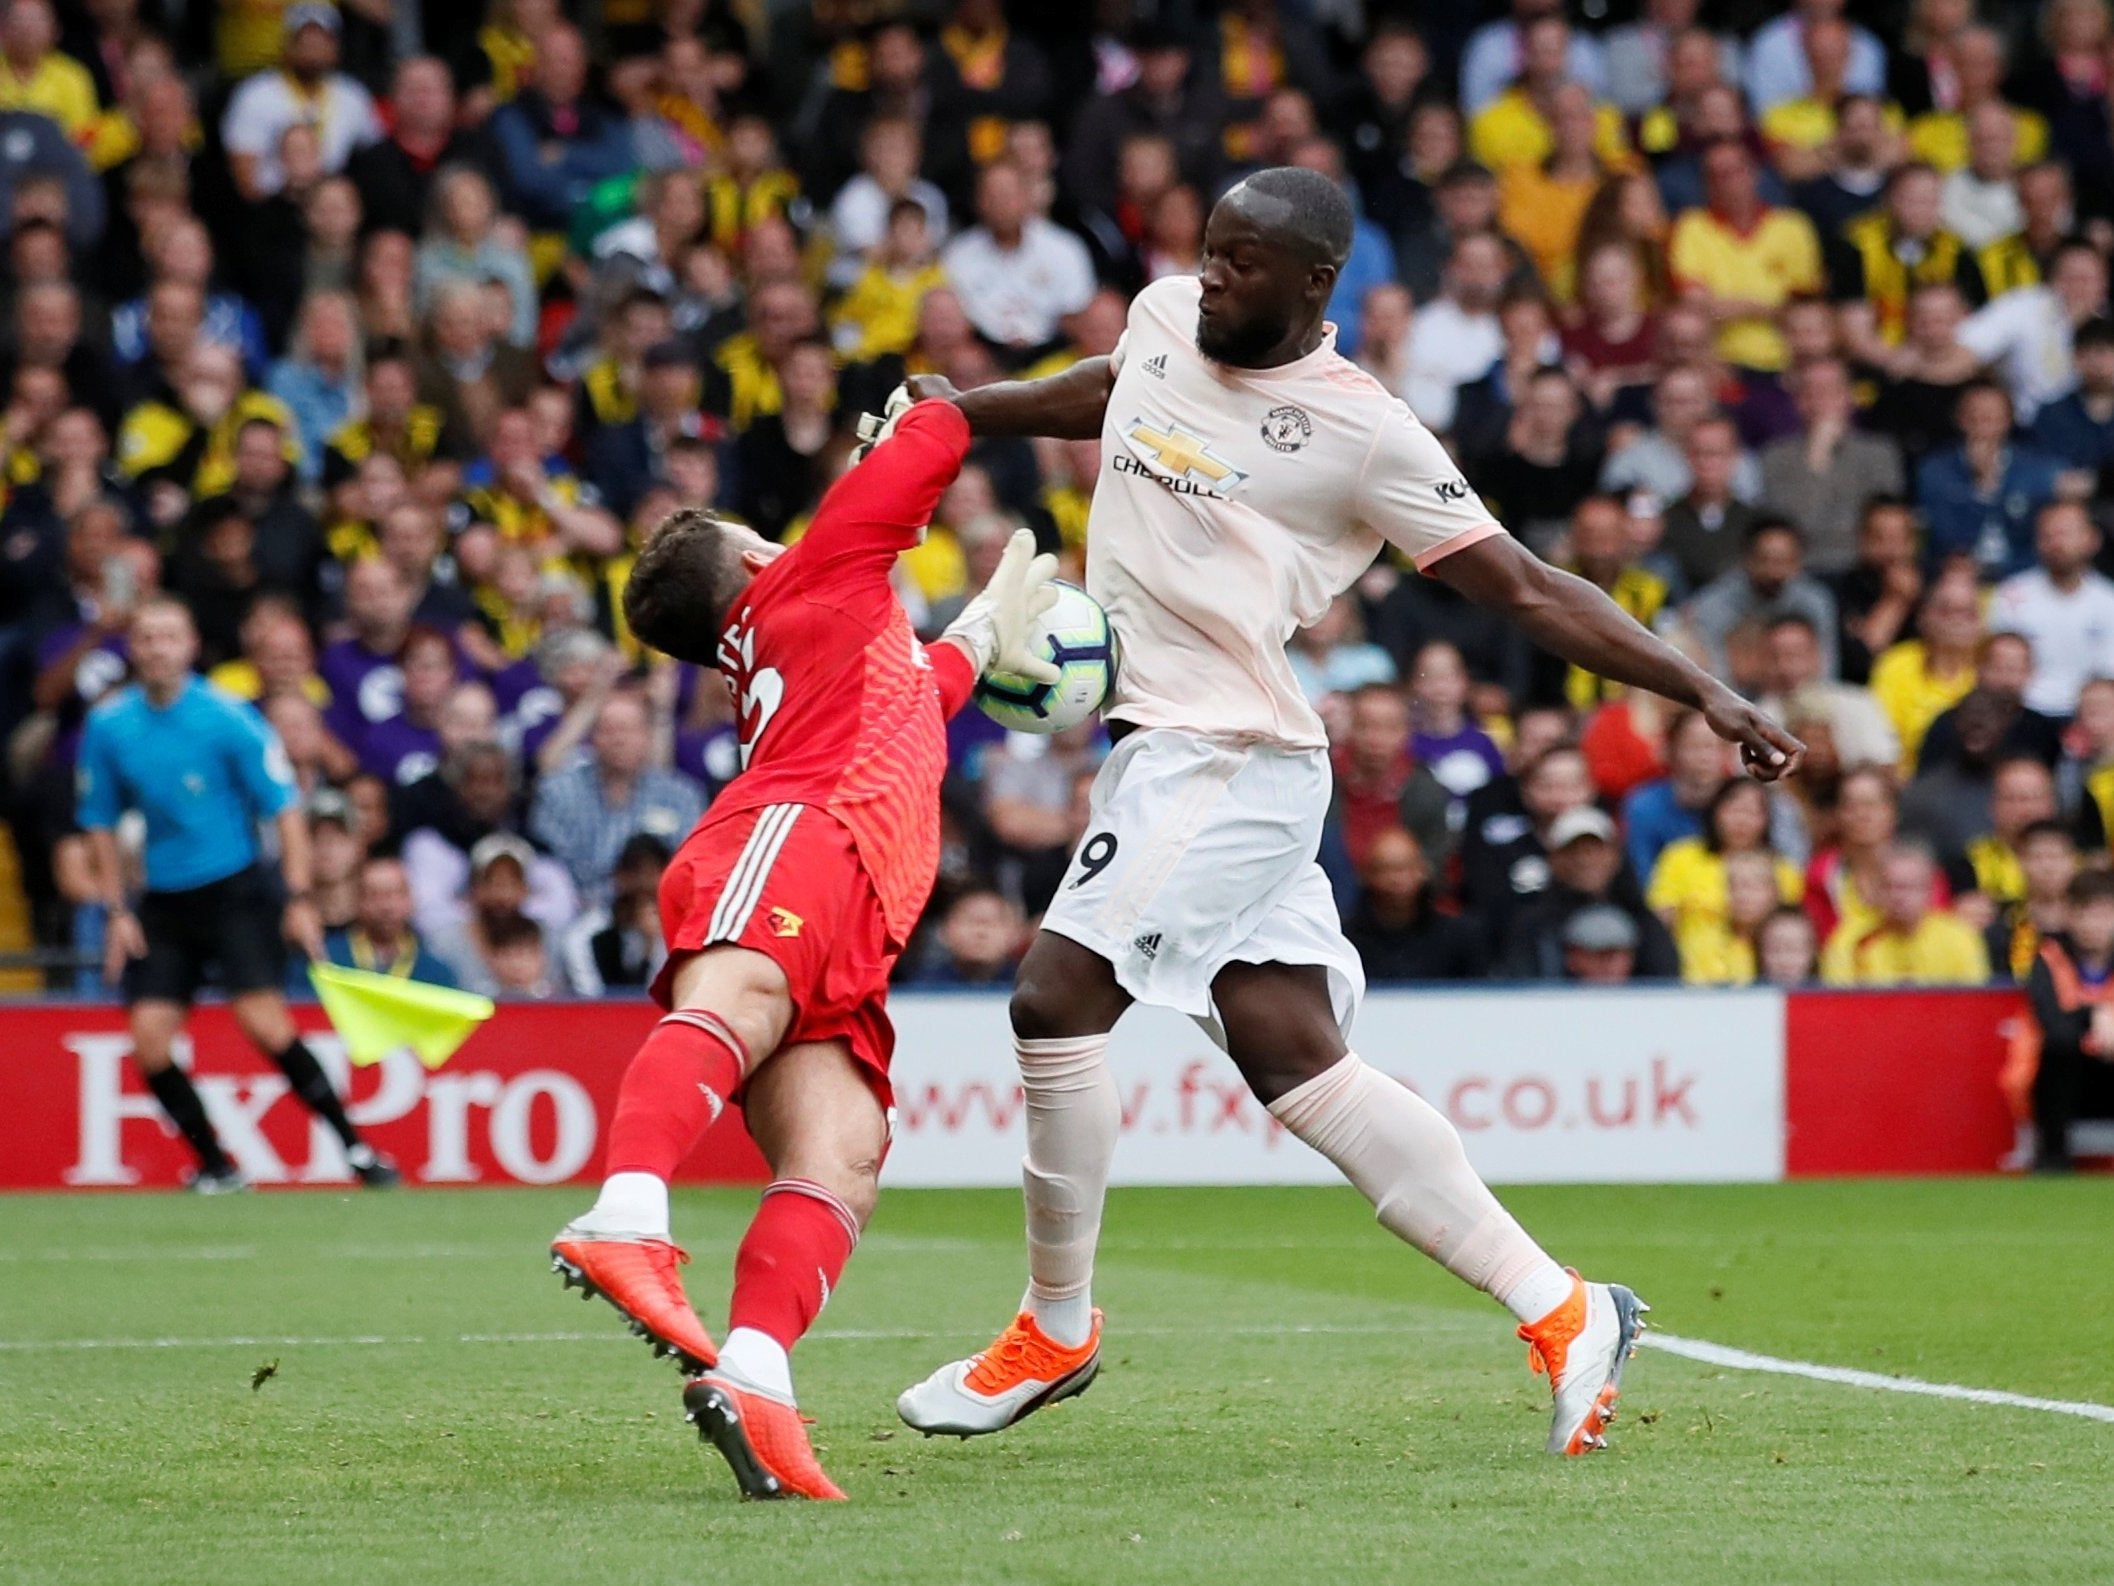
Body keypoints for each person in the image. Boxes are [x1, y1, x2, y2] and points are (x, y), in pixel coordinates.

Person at [887, 168, 1801, 1461]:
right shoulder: (1163, 316)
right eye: (1209, 249)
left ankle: (1054, 1326)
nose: (1211, 276)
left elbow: (1527, 588)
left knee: (1052, 999)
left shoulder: (1363, 431)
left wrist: (1700, 688)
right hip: (1171, 753)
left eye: (1242, 262)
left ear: (1317, 282)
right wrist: (962, 413)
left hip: (1226, 753)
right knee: (1293, 1055)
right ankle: (1564, 1306)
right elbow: (1112, 385)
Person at [546, 401, 1061, 1502]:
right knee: (741, 998)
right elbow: (934, 439)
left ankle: (754, 1373)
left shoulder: (824, 625)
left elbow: (919, 698)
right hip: (798, 836)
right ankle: (626, 1213)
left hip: (850, 889)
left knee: (844, 1152)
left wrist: (980, 630)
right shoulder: (817, 573)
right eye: (758, 532)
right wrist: (924, 407)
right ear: (749, 559)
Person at [75, 597, 397, 1191]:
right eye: (147, 637)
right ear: (133, 648)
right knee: (149, 1041)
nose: (158, 648)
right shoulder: (109, 726)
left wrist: (297, 896)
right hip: (163, 901)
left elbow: (284, 808)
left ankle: (356, 1149)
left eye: (169, 636)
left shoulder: (228, 717)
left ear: (191, 646)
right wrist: (117, 909)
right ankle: (217, 1166)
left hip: (235, 892)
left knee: (266, 1025)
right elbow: (98, 822)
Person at [2010, 868, 2114, 1172]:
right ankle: (2053, 1156)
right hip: (2063, 1082)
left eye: (2103, 914)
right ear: (2069, 916)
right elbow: (2053, 1024)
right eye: (2084, 914)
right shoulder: (2047, 957)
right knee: (2060, 1047)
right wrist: (2096, 1015)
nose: (2093, 925)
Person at [1987, 501, 2114, 719]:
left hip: (2089, 717)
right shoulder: (2011, 595)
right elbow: (1996, 669)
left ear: (2092, 539)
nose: (2056, 543)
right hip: (2020, 713)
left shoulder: (2109, 601)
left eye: (2065, 534)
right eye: (2047, 535)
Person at [1818, 841, 1991, 984]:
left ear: (1929, 890)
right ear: (1877, 890)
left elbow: (1975, 1002)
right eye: (1889, 886)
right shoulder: (1850, 938)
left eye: (1909, 887)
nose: (1899, 897)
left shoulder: (1959, 937)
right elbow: (1836, 1002)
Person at [1343, 826, 1483, 982]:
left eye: (1405, 868)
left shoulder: (1460, 937)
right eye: (1386, 869)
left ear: (1423, 871)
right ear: (1366, 875)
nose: (1396, 880)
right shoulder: (1344, 940)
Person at [323, 855, 456, 986]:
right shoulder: (327, 958)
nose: (386, 906)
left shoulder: (436, 972)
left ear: (411, 899)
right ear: (357, 900)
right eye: (374, 895)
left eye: (396, 894)